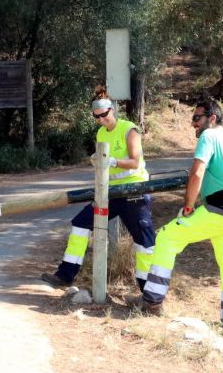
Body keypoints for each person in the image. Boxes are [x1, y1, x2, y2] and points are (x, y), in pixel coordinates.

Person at [130, 99, 223, 340]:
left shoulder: (209, 137)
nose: (193, 124)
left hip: (219, 209)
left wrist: (188, 206)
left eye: (197, 118)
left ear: (212, 118)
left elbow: (197, 172)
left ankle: (152, 302)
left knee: (167, 237)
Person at [41, 86, 156, 291]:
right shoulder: (101, 133)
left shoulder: (129, 129)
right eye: (96, 117)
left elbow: (135, 162)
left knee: (143, 243)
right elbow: (102, 166)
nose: (100, 120)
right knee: (80, 224)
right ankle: (65, 275)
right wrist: (98, 163)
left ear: (112, 110)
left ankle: (151, 293)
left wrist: (112, 161)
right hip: (110, 194)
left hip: (134, 193)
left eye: (103, 115)